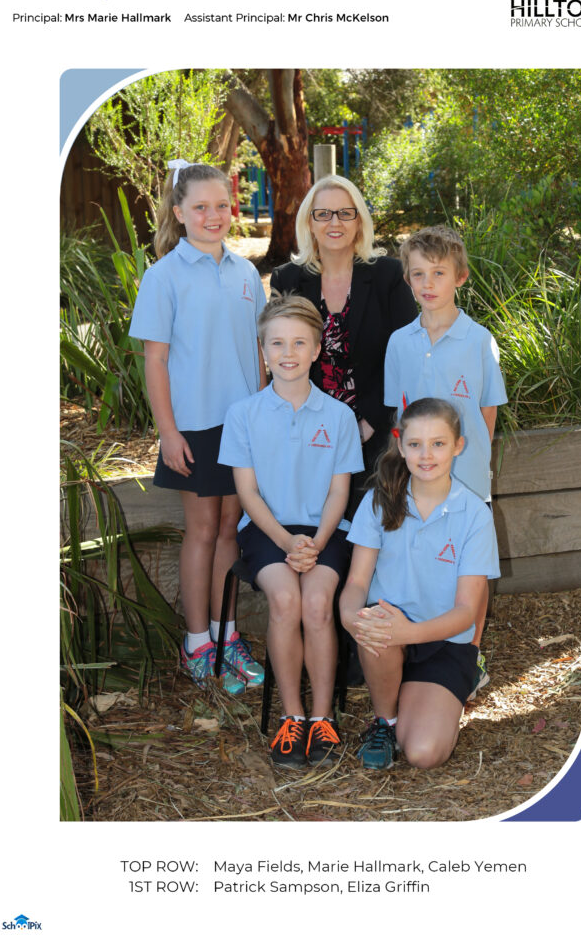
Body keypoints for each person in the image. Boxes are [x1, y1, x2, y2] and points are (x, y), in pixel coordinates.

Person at [129, 159, 267, 696]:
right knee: (204, 530)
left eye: (222, 205)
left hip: (241, 423)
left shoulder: (245, 273)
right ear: (180, 212)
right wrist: (169, 431)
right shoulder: (163, 276)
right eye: (201, 207)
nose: (214, 215)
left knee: (231, 528)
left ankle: (226, 635)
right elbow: (156, 361)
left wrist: (262, 415)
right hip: (194, 426)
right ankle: (196, 643)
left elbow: (259, 351)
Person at [219, 295, 364, 768]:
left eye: (299, 342)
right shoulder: (243, 415)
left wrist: (316, 543)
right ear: (262, 350)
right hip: (267, 530)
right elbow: (247, 493)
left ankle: (323, 718)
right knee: (285, 600)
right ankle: (292, 717)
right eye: (277, 343)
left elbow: (339, 493)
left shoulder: (339, 417)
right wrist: (286, 542)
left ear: (317, 349)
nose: (288, 352)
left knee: (318, 603)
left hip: (326, 530)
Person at [340, 398, 500, 769]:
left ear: (458, 446)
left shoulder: (474, 515)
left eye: (438, 443)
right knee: (375, 622)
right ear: (401, 446)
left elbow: (466, 612)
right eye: (415, 444)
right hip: (388, 638)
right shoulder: (378, 502)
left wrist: (408, 633)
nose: (426, 455)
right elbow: (356, 583)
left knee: (423, 754)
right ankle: (384, 720)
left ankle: (440, 692)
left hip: (444, 642)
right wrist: (352, 619)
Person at [384, 225, 507, 696]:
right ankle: (424, 648)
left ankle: (468, 657)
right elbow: (398, 413)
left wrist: (474, 469)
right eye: (418, 274)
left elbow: (487, 412)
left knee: (470, 569)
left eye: (439, 273)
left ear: (460, 276)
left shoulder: (479, 341)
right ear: (408, 280)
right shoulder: (400, 343)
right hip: (417, 476)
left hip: (467, 475)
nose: (428, 283)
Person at [269, 174, 417, 513]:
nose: (334, 222)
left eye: (345, 213)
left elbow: (406, 357)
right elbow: (280, 358)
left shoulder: (388, 276)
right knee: (315, 525)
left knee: (375, 522)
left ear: (359, 221)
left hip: (377, 430)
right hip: (308, 430)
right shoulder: (286, 279)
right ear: (309, 223)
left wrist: (368, 422)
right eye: (323, 214)